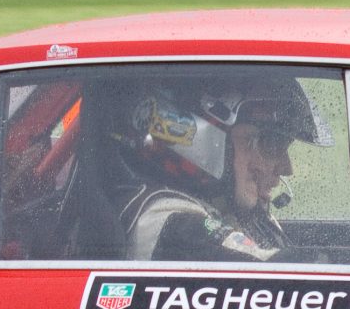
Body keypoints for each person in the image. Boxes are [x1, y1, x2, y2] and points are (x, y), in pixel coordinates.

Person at [94, 72, 329, 262]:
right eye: (271, 143)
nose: (287, 168)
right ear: (204, 140)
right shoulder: (172, 222)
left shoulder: (236, 209)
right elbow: (278, 274)